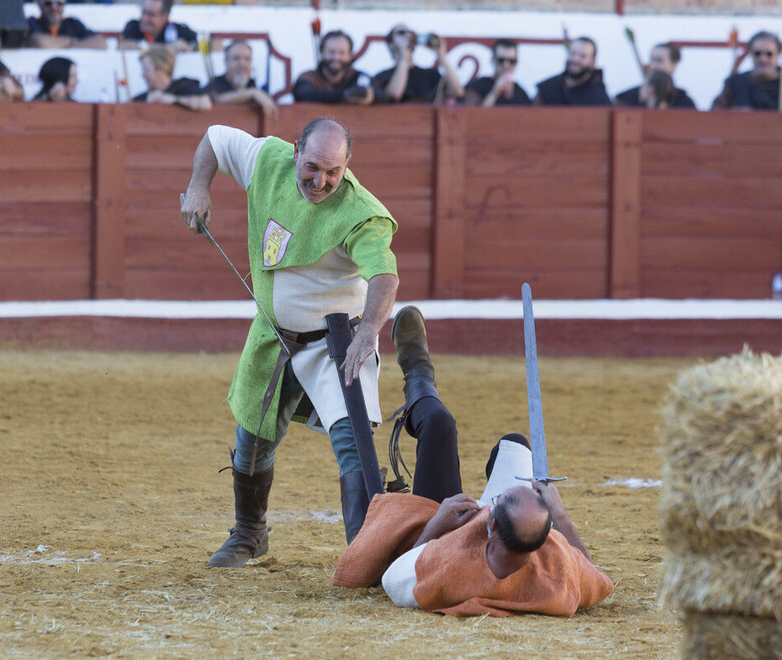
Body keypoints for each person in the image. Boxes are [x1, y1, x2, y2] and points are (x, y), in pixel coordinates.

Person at [179, 118, 399, 566]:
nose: (321, 181)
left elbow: (384, 276)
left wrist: (368, 333)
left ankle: (367, 550)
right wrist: (199, 187)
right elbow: (216, 138)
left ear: (347, 166)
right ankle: (250, 532)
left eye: (333, 172)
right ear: (296, 151)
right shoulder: (268, 160)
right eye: (313, 167)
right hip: (272, 336)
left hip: (335, 344)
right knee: (252, 440)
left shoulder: (363, 213)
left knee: (353, 441)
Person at [333, 306, 614, 617]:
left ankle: (418, 373)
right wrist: (558, 514)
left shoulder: (447, 570)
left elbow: (392, 579)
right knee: (516, 444)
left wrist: (437, 523)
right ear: (544, 540)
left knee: (440, 425)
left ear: (491, 523)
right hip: (510, 536)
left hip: (445, 534)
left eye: (497, 502)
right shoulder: (557, 572)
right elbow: (593, 576)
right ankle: (517, 503)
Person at [711, 31, 782, 111]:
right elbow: (717, 115)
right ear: (751, 54)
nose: (763, 59)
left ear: (778, 54)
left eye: (769, 54)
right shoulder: (735, 83)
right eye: (758, 54)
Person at [371, 24, 464, 104]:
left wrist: (441, 55)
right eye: (401, 33)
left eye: (410, 33)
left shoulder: (430, 74)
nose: (407, 35)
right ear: (391, 44)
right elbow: (394, 94)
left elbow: (457, 92)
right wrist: (404, 57)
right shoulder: (382, 76)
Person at [293, 30, 374, 105]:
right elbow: (303, 95)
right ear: (321, 53)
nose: (336, 57)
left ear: (350, 56)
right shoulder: (308, 77)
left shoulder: (360, 77)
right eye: (331, 52)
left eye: (342, 53)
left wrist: (371, 95)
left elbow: (378, 93)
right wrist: (344, 95)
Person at [203, 40, 278, 116]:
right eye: (236, 58)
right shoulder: (215, 84)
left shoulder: (255, 87)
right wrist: (253, 93)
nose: (242, 64)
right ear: (226, 62)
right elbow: (218, 99)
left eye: (247, 59)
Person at [534, 36, 612, 106]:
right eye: (573, 53)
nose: (575, 59)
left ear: (592, 62)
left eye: (583, 56)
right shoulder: (548, 88)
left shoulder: (599, 98)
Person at [615, 43, 696, 109]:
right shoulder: (627, 98)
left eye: (659, 61)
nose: (653, 66)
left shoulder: (684, 103)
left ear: (674, 65)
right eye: (652, 60)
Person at [132, 45, 211, 111]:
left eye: (146, 70)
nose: (143, 75)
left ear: (162, 68)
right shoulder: (142, 98)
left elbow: (205, 103)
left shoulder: (184, 86)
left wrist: (172, 100)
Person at [463, 39, 530, 107]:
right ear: (493, 61)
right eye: (501, 60)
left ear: (516, 63)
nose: (506, 66)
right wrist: (494, 94)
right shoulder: (477, 87)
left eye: (511, 61)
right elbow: (472, 115)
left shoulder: (522, 94)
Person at [26, 0, 106, 49]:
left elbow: (101, 42)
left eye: (59, 3)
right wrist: (73, 41)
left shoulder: (73, 23)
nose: (54, 8)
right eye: (48, 3)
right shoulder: (32, 22)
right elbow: (40, 42)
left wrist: (65, 46)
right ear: (39, 4)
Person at [121, 0, 196, 52]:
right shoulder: (133, 27)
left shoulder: (179, 31)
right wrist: (166, 50)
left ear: (165, 16)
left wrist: (189, 48)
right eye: (143, 12)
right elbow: (122, 46)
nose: (144, 18)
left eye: (151, 14)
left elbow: (196, 46)